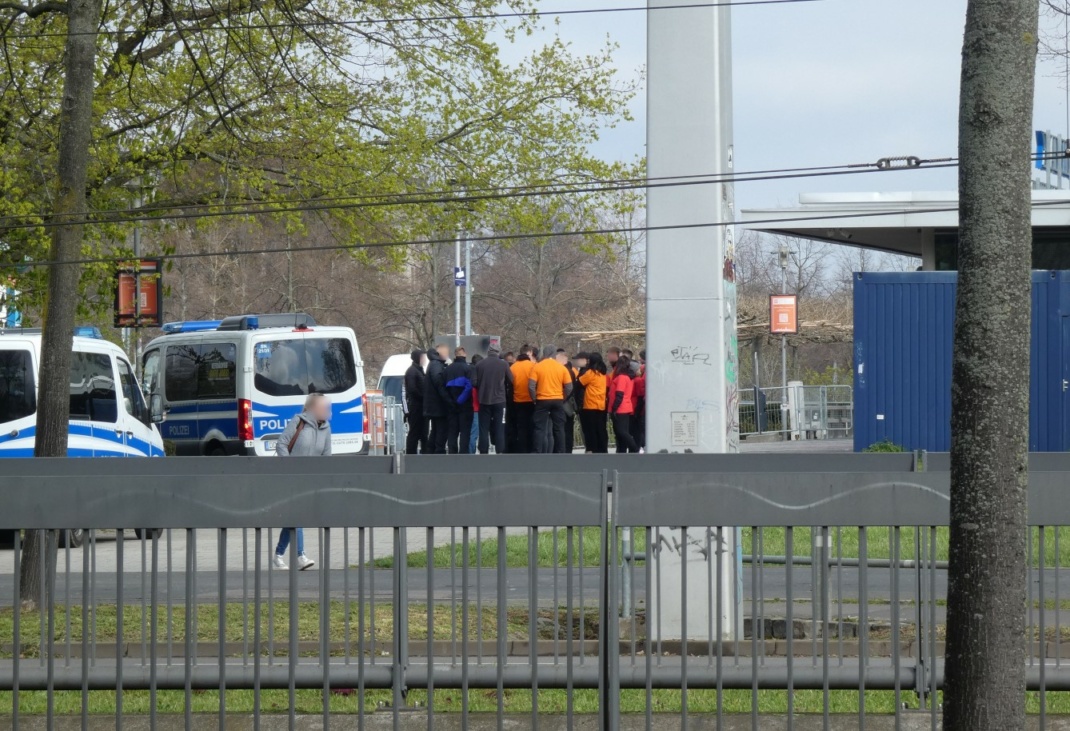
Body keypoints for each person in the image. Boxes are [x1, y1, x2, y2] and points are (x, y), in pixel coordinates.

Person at [273, 393, 332, 570]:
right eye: (322, 407)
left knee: (293, 518)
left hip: (309, 481)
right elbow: (281, 444)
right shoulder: (299, 421)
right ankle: (300, 556)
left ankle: (278, 555)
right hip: (290, 479)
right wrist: (289, 468)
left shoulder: (326, 428)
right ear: (311, 408)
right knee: (297, 515)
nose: (326, 410)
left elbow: (327, 456)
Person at [529, 349, 573, 454]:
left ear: (544, 354)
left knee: (539, 427)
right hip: (557, 400)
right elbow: (569, 387)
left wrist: (534, 398)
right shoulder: (561, 368)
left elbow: (531, 386)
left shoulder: (537, 366)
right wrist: (563, 397)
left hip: (542, 400)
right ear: (555, 355)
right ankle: (561, 451)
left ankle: (537, 451)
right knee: (559, 427)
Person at [473, 345, 513, 454]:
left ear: (488, 352)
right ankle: (500, 450)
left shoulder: (479, 364)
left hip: (483, 400)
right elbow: (511, 380)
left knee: (483, 427)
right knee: (500, 426)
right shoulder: (504, 364)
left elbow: (474, 382)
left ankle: (483, 450)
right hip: (500, 400)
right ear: (498, 352)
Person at [444, 347, 474, 454]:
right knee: (465, 433)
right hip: (465, 406)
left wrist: (450, 401)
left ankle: (452, 454)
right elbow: (469, 386)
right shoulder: (468, 368)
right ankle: (463, 455)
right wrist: (460, 400)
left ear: (455, 355)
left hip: (451, 406)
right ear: (464, 354)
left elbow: (443, 388)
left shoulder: (447, 369)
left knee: (452, 432)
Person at [578, 352, 609, 453]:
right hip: (601, 404)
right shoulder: (603, 374)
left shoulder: (591, 373)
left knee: (591, 429)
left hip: (590, 404)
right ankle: (603, 449)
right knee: (601, 428)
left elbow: (579, 383)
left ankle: (593, 449)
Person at [423, 344, 452, 454]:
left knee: (435, 430)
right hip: (438, 405)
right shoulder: (436, 365)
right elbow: (439, 384)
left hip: (434, 405)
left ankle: (431, 452)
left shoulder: (434, 364)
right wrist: (449, 400)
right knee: (441, 430)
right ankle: (438, 453)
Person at [609, 356, 639, 453]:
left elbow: (619, 394)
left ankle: (635, 448)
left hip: (620, 408)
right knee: (622, 432)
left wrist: (614, 408)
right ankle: (621, 451)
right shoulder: (629, 377)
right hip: (625, 406)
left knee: (621, 431)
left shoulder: (622, 377)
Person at [510, 348, 536, 453]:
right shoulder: (533, 366)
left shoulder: (513, 367)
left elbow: (510, 384)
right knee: (532, 426)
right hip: (531, 400)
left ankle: (522, 449)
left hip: (518, 401)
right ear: (528, 355)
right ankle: (531, 448)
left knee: (521, 427)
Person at [403, 350, 427, 454]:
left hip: (421, 406)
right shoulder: (412, 371)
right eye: (422, 357)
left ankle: (425, 453)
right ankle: (411, 454)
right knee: (414, 432)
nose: (424, 360)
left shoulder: (420, 370)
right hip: (416, 406)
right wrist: (423, 397)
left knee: (423, 433)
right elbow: (412, 389)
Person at [468, 354, 483, 453]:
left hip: (470, 408)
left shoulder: (468, 374)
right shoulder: (477, 379)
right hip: (476, 408)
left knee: (472, 432)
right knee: (474, 433)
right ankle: (471, 454)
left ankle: (470, 452)